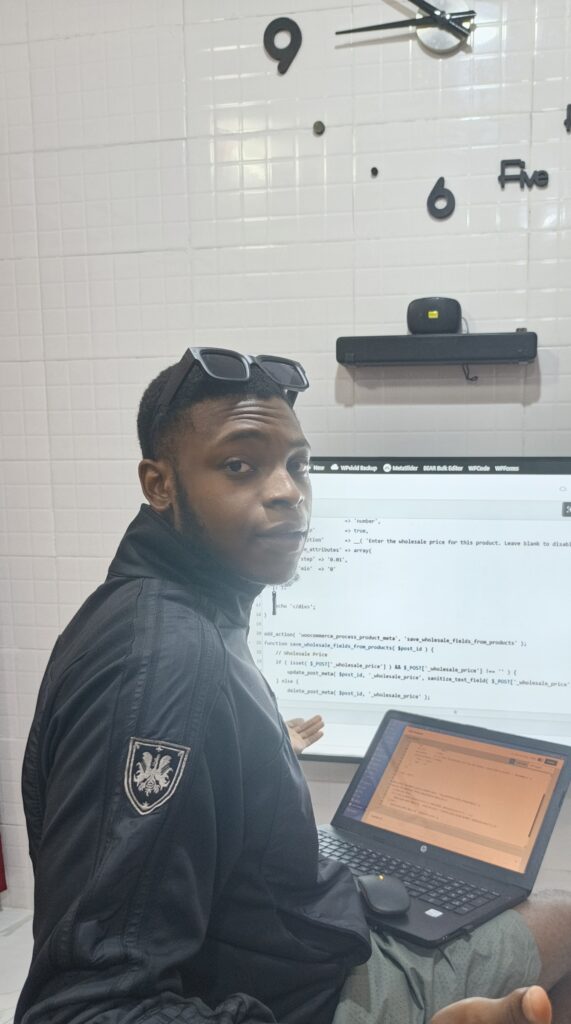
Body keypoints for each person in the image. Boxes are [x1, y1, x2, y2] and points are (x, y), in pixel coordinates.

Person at [16, 349, 571, 1024]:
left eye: (299, 464)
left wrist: (242, 755)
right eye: (239, 465)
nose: (288, 491)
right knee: (562, 917)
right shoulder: (168, 662)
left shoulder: (147, 609)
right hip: (298, 998)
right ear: (159, 484)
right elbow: (80, 1008)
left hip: (289, 947)